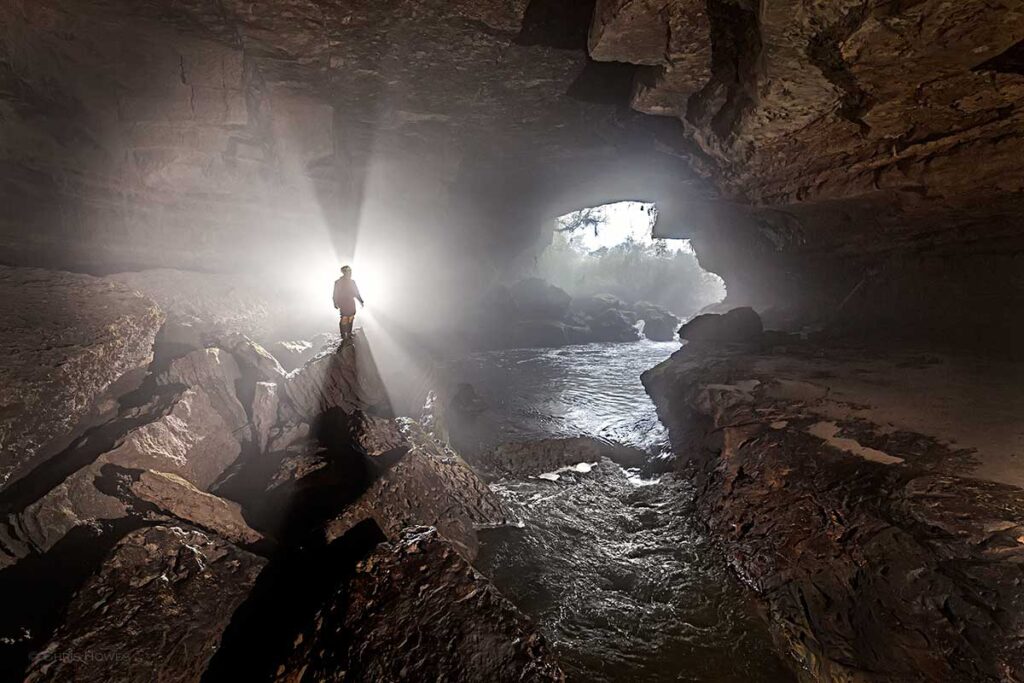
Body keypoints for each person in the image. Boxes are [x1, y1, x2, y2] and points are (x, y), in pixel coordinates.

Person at [333, 265, 364, 343]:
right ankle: (343, 334)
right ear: (344, 272)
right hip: (343, 302)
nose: (350, 273)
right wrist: (335, 302)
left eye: (350, 271)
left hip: (350, 301)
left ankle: (349, 333)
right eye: (348, 271)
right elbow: (335, 293)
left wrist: (361, 301)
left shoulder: (352, 282)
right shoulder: (338, 282)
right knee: (344, 317)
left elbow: (356, 292)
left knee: (351, 317)